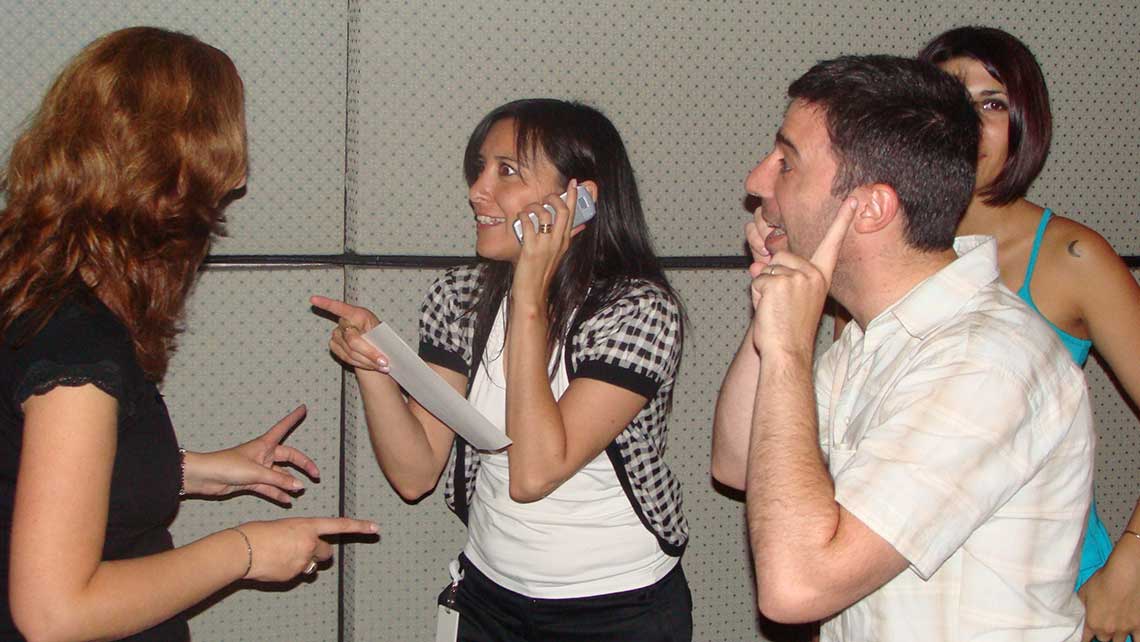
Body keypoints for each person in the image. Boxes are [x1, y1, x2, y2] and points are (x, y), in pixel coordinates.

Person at [0, 27, 378, 642]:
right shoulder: (78, 348)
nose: (233, 181)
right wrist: (246, 550)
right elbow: (55, 613)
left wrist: (190, 470)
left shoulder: (35, 287)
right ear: (172, 170)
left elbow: (37, 476)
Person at [711, 54, 1094, 640]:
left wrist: (789, 350)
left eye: (787, 162)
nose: (757, 181)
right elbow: (738, 463)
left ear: (870, 208)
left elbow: (796, 587)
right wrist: (774, 301)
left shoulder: (987, 361)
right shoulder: (879, 333)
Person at [312, 98, 690, 641]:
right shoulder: (460, 296)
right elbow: (415, 474)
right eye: (480, 168)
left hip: (617, 608)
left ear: (580, 200)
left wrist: (530, 295)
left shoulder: (637, 310)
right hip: (489, 594)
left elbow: (534, 474)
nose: (477, 190)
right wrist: (374, 365)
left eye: (507, 171)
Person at [918, 27, 1140, 642]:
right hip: (913, 594)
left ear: (1024, 122)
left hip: (1054, 596)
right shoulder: (879, 252)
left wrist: (1129, 571)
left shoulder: (1072, 256)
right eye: (949, 99)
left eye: (991, 103)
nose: (968, 123)